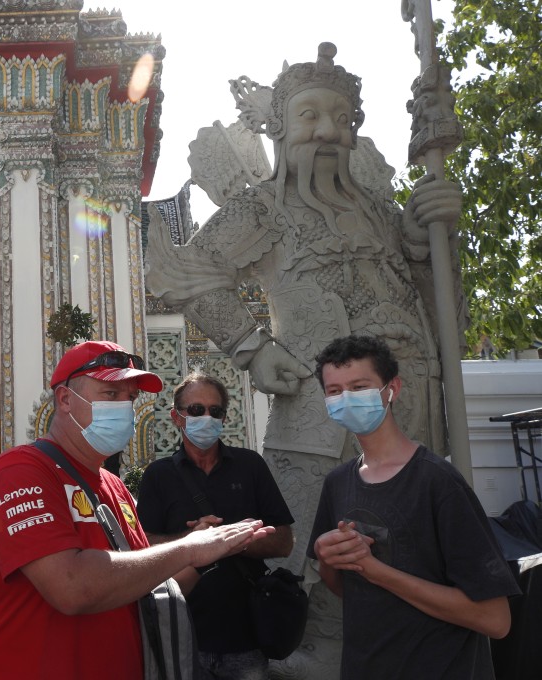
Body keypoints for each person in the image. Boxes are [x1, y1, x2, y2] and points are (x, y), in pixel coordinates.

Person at [146, 42, 464, 674]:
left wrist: (434, 240)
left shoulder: (380, 210)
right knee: (321, 553)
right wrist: (251, 347)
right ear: (282, 128)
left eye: (344, 119)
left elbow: (444, 314)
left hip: (412, 397)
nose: (329, 131)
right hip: (320, 413)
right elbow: (186, 276)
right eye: (311, 116)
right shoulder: (263, 207)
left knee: (412, 537)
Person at [0, 340, 275, 680]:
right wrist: (187, 547)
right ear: (65, 400)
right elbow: (72, 587)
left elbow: (145, 586)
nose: (125, 407)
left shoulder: (115, 488)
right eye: (110, 394)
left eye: (130, 397)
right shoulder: (20, 471)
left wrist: (213, 550)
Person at [307, 335, 520, 680]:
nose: (346, 399)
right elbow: (351, 590)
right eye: (335, 391)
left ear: (392, 389)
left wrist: (378, 571)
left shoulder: (438, 482)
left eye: (360, 386)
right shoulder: (338, 483)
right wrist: (327, 556)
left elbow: (495, 620)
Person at [137, 373, 295, 680]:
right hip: (183, 633)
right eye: (196, 410)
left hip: (245, 638)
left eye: (215, 411)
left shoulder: (250, 466)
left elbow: (285, 541)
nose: (206, 417)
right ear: (177, 417)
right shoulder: (159, 476)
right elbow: (144, 545)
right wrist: (192, 541)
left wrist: (233, 539)